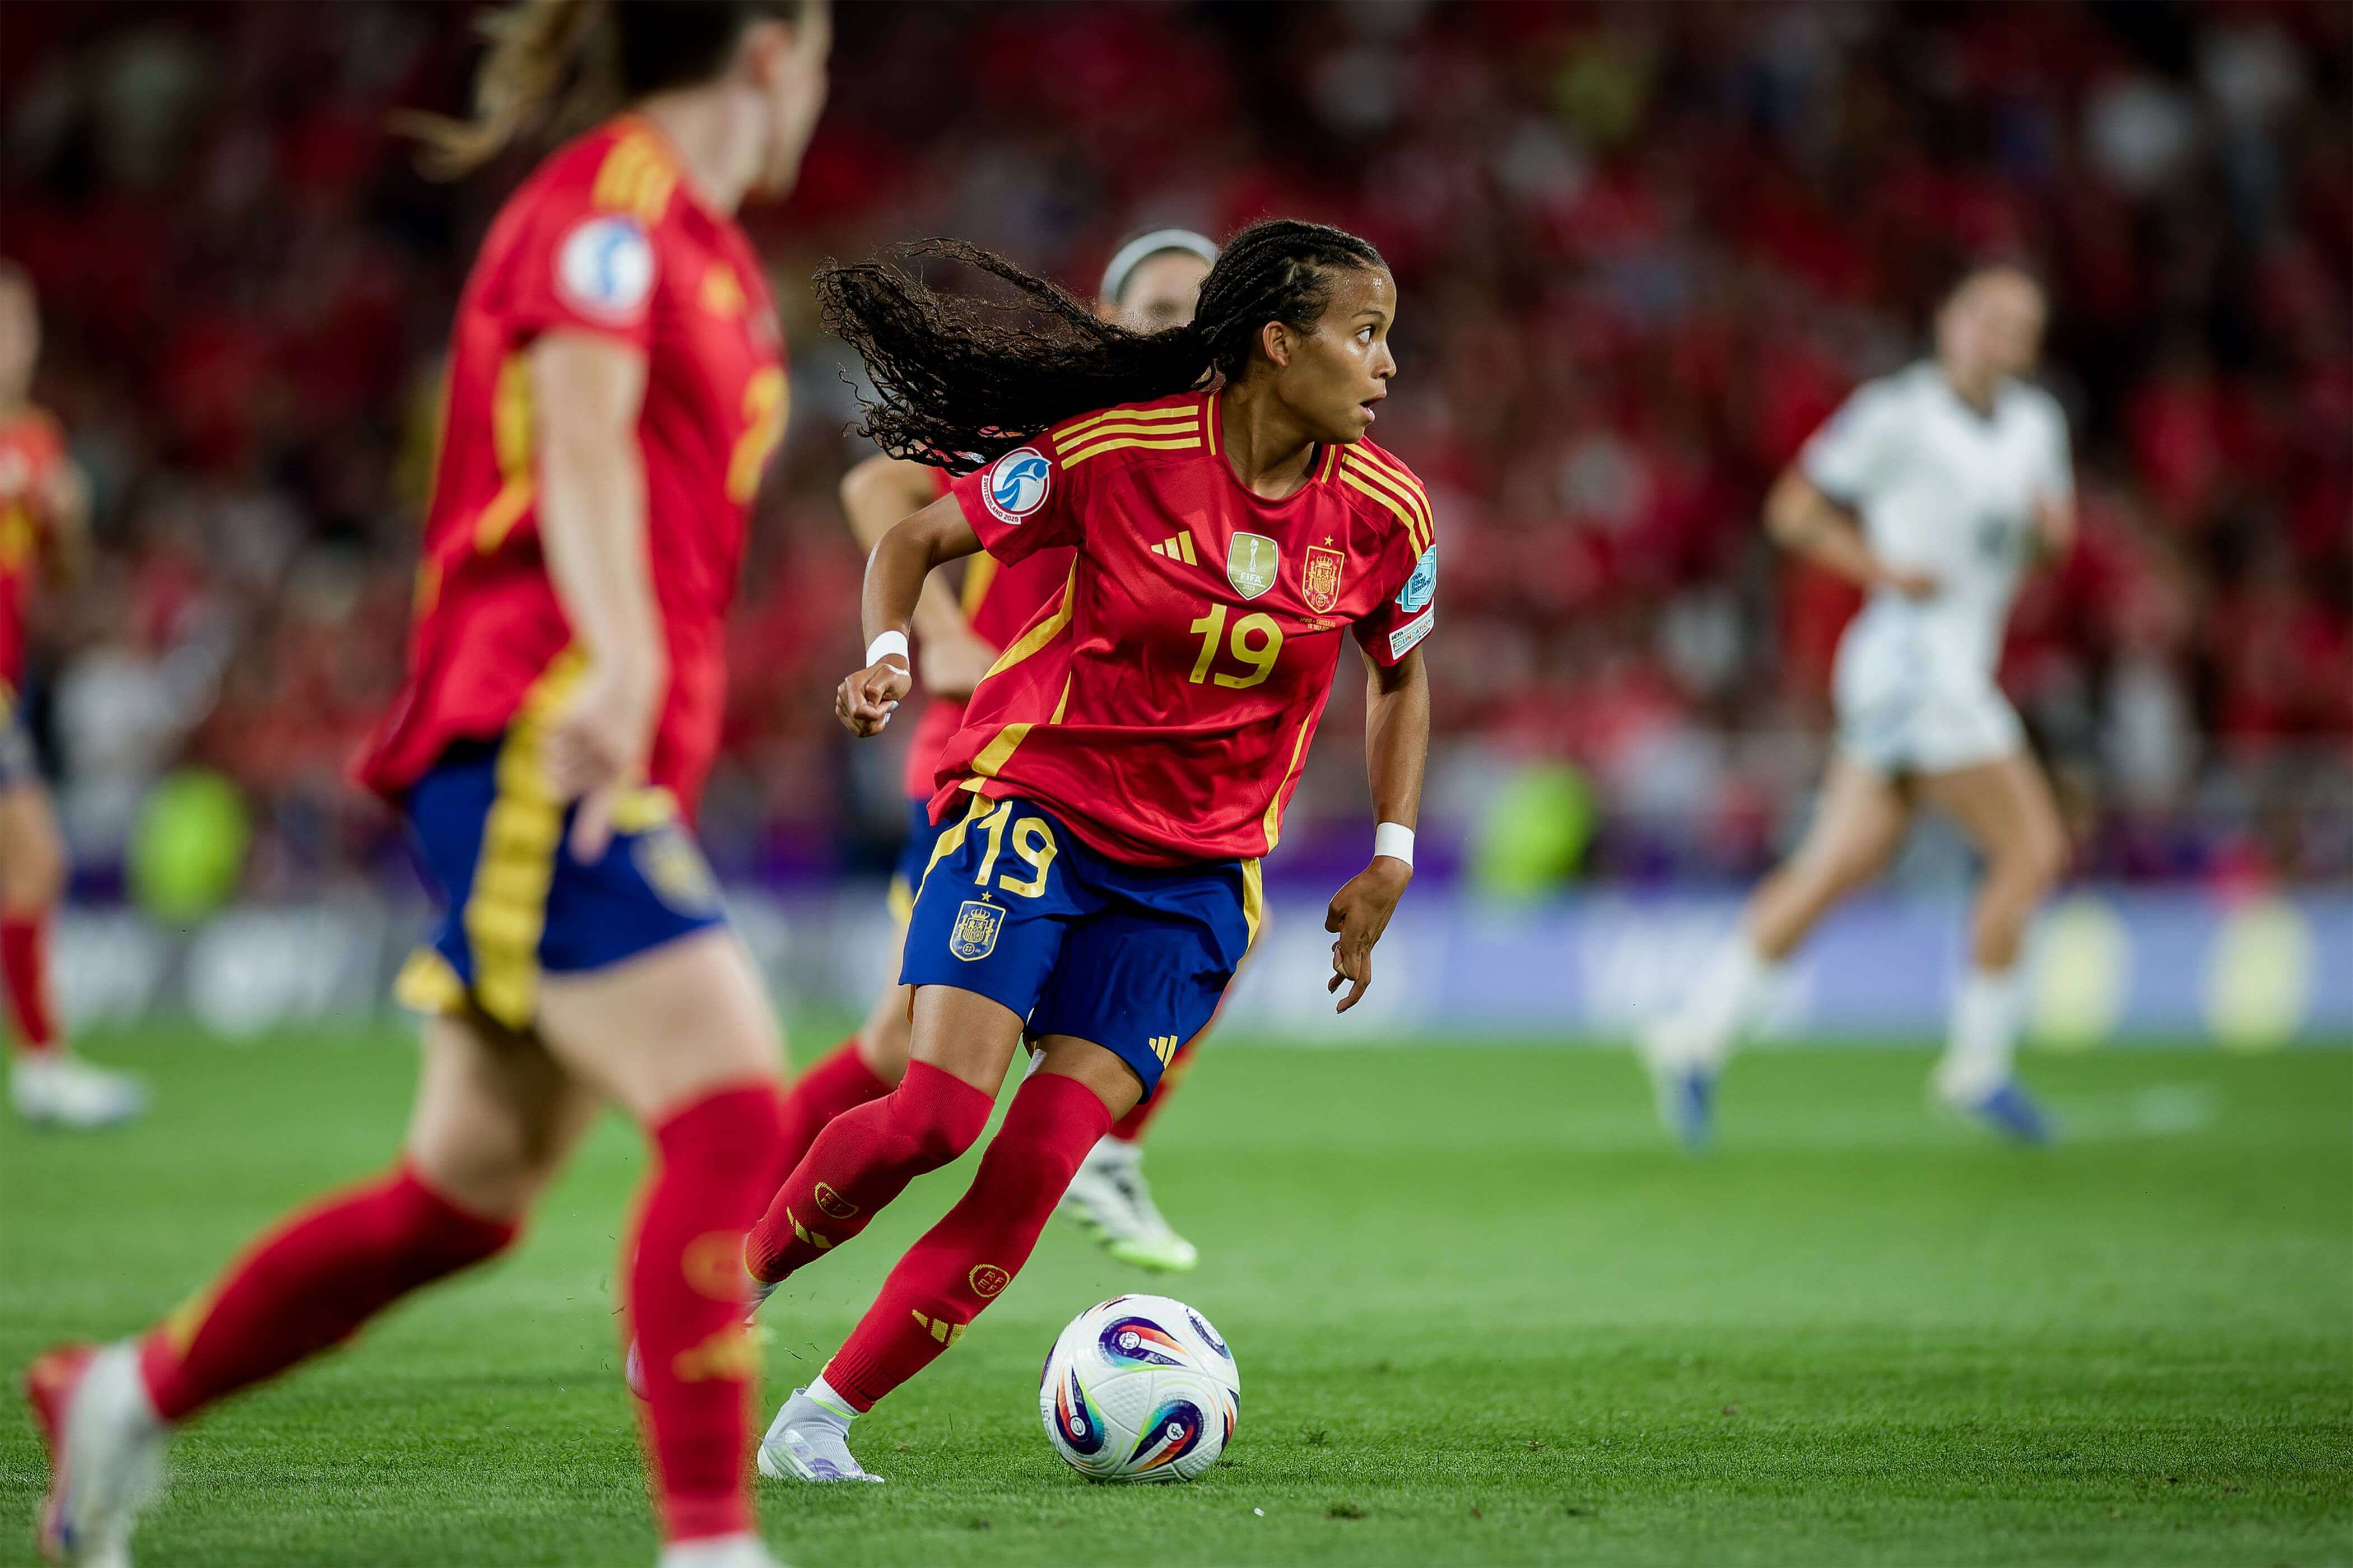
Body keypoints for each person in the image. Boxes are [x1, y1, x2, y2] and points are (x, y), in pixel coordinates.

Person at [24, 5, 829, 1565]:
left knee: (463, 1196)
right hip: (537, 722)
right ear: (770, 47)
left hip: (590, 737)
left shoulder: (716, 255)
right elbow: (583, 444)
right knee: (734, 1101)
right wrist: (622, 654)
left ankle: (120, 1393)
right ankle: (713, 1545)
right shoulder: (609, 212)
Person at [750, 218, 1435, 1484]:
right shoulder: (1118, 455)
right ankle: (724, 1282)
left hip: (1194, 889)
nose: (1387, 363)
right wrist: (896, 654)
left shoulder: (1387, 513)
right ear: (1280, 345)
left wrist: (1390, 850)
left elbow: (1399, 675)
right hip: (1039, 816)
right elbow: (909, 535)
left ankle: (819, 1420)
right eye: (1366, 331)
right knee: (932, 1116)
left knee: (1032, 1164)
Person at [774, 229, 1220, 1277]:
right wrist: (942, 636)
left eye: (1203, 313)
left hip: (1102, 779)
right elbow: (875, 498)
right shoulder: (1059, 418)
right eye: (1159, 308)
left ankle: (1109, 1145)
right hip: (987, 758)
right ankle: (722, 1232)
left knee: (1222, 915)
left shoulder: (1224, 452)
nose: (1184, 330)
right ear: (1109, 323)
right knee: (900, 1053)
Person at [1640, 264, 2074, 1149]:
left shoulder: (2037, 425)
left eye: (2019, 323)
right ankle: (1978, 1068)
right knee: (2032, 848)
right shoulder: (1898, 415)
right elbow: (1793, 510)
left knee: (1839, 867)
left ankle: (1692, 1033)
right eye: (1986, 316)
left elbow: (2042, 546)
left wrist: (2050, 540)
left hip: (1949, 663)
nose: (2001, 335)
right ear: (1950, 321)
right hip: (1913, 662)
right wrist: (1881, 570)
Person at [0, 263, 142, 1131]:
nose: (9, 346)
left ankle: (44, 1063)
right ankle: (44, 1064)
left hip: (9, 683)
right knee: (35, 856)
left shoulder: (33, 442)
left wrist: (69, 521)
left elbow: (57, 580)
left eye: (17, 328)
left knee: (35, 864)